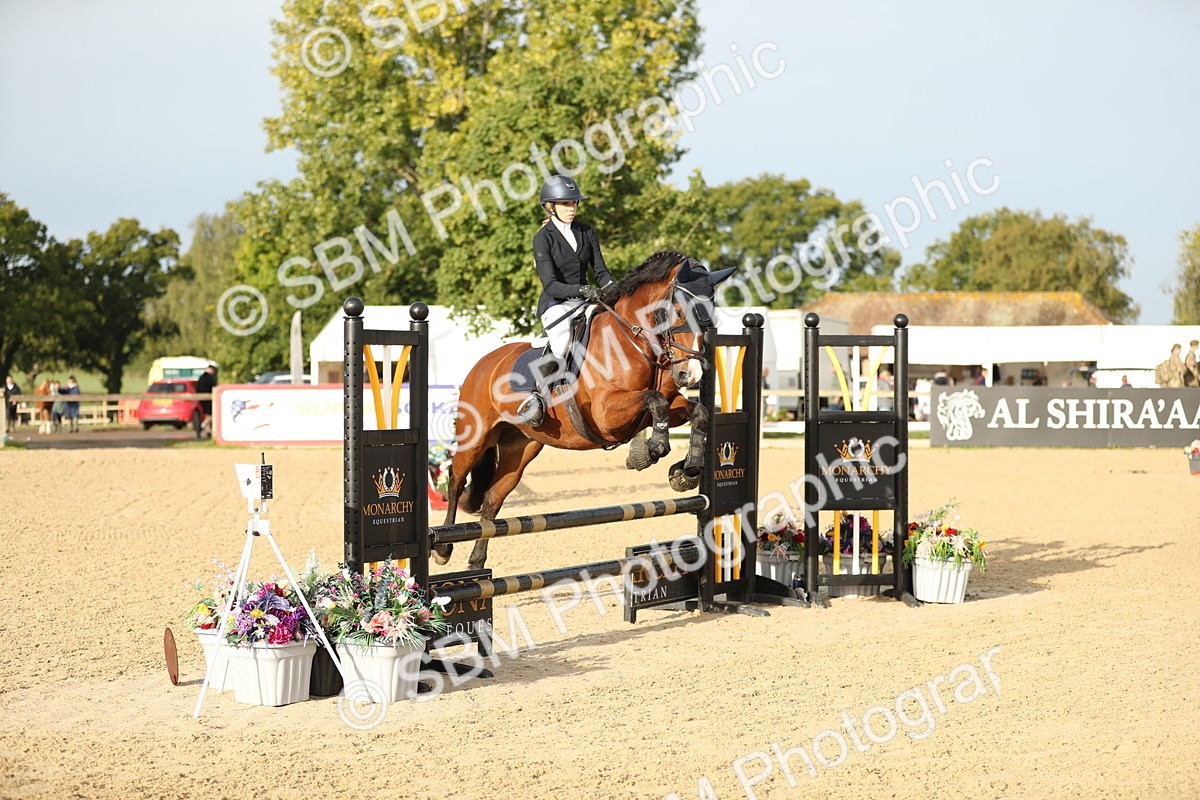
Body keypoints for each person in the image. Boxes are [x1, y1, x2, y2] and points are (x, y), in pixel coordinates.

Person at [515, 175, 615, 426]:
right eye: (566, 204)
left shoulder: (587, 232)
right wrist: (582, 290)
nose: (572, 209)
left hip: (585, 302)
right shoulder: (543, 238)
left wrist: (616, 292)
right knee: (561, 343)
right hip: (556, 303)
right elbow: (551, 284)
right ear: (550, 206)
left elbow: (601, 272)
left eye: (574, 204)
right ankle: (536, 397)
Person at [195, 365, 217, 433]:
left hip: (201, 399)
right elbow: (213, 387)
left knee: (207, 414)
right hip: (209, 399)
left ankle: (208, 431)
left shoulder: (201, 378)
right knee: (212, 414)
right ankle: (202, 426)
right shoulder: (209, 378)